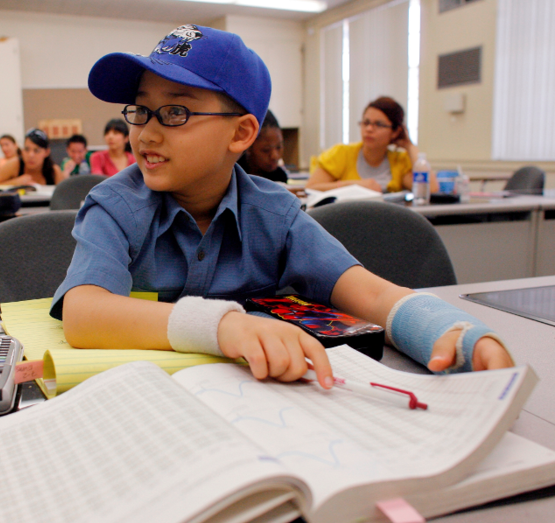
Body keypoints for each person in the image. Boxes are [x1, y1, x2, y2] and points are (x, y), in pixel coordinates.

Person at [51, 25, 513, 389]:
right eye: (141, 109)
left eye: (176, 113)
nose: (146, 133)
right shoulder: (113, 205)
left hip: (257, 403)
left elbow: (369, 294)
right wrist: (223, 327)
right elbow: (84, 313)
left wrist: (451, 331)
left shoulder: (275, 212)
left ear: (241, 134)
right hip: (145, 401)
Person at [306, 96, 437, 194]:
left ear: (395, 132)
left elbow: (430, 189)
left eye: (378, 124)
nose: (369, 129)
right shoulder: (342, 153)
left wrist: (410, 146)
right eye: (366, 122)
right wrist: (355, 186)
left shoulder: (399, 160)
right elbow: (311, 187)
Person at [0, 128, 65, 189]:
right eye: (27, 149)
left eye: (36, 151)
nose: (30, 155)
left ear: (46, 152)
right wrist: (15, 183)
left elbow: (63, 197)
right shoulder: (14, 165)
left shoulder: (54, 171)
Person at [237, 109, 289, 183]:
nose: (275, 156)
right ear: (248, 146)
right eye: (266, 150)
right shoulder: (235, 176)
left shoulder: (279, 176)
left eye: (279, 147)